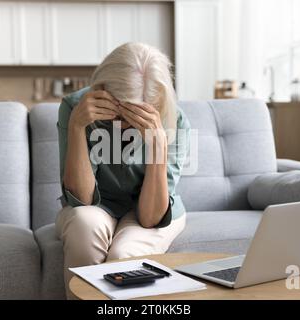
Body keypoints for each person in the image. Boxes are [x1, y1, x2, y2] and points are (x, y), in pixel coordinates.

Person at [55, 42, 190, 298]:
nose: (125, 127)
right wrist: (77, 127)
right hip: (95, 206)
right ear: (101, 89)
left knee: (124, 256)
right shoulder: (75, 106)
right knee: (85, 225)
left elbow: (150, 218)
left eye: (137, 117)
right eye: (117, 116)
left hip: (150, 210)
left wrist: (158, 147)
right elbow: (81, 200)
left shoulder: (176, 119)